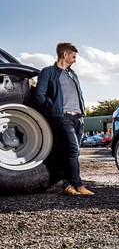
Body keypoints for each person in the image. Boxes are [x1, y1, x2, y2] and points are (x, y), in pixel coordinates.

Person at [32, 42, 94, 196]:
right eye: (73, 56)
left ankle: (68, 184)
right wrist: (53, 108)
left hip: (78, 117)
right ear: (64, 55)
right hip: (63, 117)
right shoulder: (48, 72)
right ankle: (79, 184)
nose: (75, 60)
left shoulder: (73, 74)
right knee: (73, 149)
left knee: (70, 152)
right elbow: (39, 96)